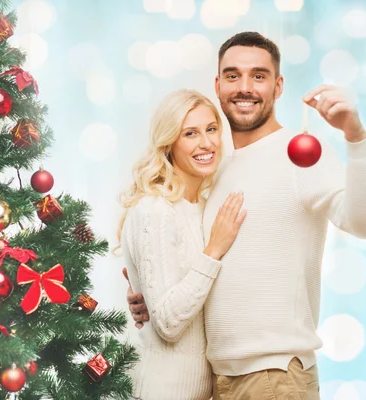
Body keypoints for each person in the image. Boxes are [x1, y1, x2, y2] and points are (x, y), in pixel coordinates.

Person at [125, 32, 366, 400]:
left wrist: (355, 136)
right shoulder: (214, 172)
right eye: (232, 76)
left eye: (258, 76)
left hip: (275, 376)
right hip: (218, 380)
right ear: (218, 85)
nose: (244, 87)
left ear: (278, 86)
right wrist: (151, 296)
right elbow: (202, 262)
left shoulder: (300, 154)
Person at [116, 89, 247, 400]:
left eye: (211, 129)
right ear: (169, 143)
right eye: (190, 133)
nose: (206, 143)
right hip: (164, 390)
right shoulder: (155, 209)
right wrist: (214, 249)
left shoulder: (199, 207)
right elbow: (168, 323)